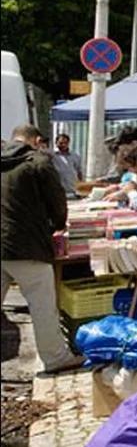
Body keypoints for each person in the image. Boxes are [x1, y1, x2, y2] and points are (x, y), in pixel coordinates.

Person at [1, 125, 83, 375]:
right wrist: (58, 224)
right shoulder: (38, 161)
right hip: (28, 245)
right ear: (37, 140)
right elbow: (56, 200)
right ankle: (55, 357)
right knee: (42, 306)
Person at [50, 131, 82, 196]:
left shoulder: (75, 156)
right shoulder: (51, 156)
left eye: (66, 143)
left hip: (72, 189)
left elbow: (79, 172)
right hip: (57, 190)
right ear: (56, 143)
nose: (63, 145)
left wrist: (80, 186)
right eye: (61, 143)